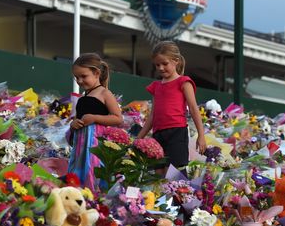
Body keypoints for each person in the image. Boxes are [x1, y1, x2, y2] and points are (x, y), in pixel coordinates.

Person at [137, 41, 207, 176]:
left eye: (165, 64)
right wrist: (139, 138)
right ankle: (158, 197)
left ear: (176, 61)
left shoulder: (184, 82)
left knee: (175, 173)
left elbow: (193, 108)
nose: (161, 68)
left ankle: (176, 197)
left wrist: (201, 135)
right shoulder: (156, 86)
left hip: (177, 133)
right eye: (157, 65)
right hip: (158, 134)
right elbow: (153, 115)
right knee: (158, 173)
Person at [67, 53, 123, 190]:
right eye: (76, 77)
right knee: (78, 174)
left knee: (93, 172)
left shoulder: (104, 93)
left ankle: (96, 198)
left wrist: (94, 118)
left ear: (96, 73)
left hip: (96, 145)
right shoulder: (81, 99)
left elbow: (118, 118)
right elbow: (77, 120)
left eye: (84, 76)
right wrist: (73, 125)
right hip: (80, 146)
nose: (79, 81)